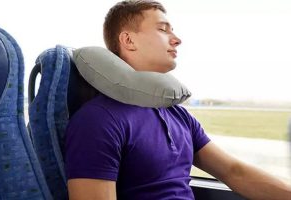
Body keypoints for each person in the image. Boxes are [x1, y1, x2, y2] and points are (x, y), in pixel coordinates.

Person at [65, 0, 291, 199]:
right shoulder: (98, 120)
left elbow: (234, 172)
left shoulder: (177, 114)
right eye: (163, 30)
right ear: (128, 40)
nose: (177, 40)